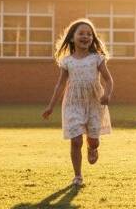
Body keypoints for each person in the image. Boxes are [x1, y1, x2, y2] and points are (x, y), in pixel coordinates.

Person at [42, 19, 114, 186]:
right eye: (81, 33)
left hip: (95, 102)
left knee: (93, 140)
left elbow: (108, 80)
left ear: (93, 38)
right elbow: (60, 85)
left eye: (89, 34)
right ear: (72, 38)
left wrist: (108, 94)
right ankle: (78, 176)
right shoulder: (67, 61)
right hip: (73, 103)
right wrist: (51, 106)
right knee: (75, 140)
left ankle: (93, 147)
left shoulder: (97, 58)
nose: (86, 36)